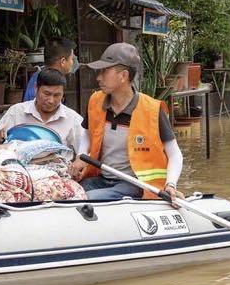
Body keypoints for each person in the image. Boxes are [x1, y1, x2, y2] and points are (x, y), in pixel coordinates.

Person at [68, 42, 184, 202]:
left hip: (135, 183)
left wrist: (171, 185)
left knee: (88, 198)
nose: (98, 77)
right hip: (101, 178)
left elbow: (175, 154)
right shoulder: (95, 101)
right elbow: (86, 133)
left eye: (104, 71)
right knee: (67, 192)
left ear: (123, 76)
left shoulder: (152, 110)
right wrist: (81, 156)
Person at [0, 68, 81, 150]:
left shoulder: (73, 119)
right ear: (36, 88)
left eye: (57, 95)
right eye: (47, 94)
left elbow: (83, 152)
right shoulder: (16, 111)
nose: (51, 100)